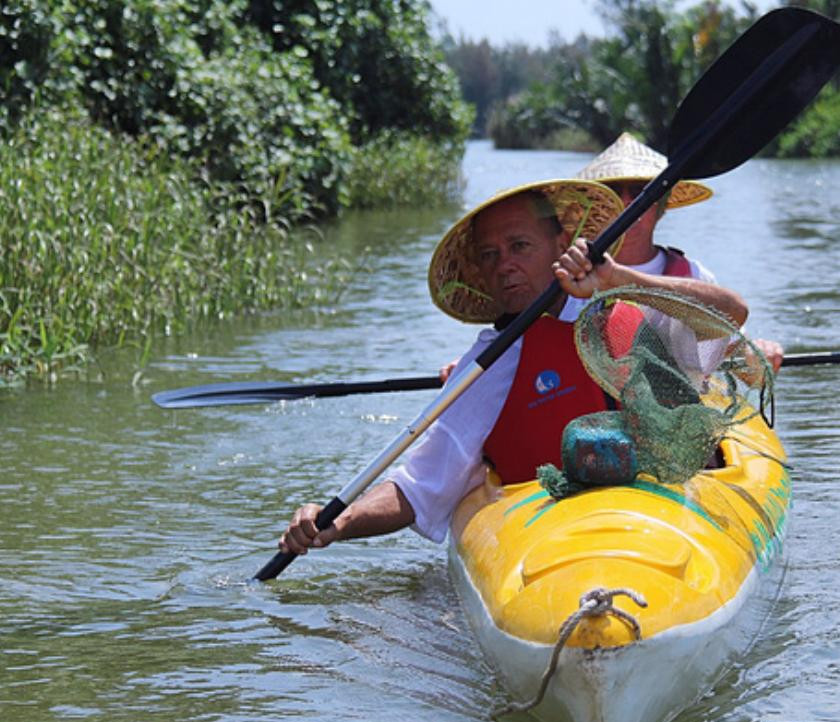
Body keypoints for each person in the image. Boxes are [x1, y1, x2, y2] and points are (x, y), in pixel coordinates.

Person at [279, 179, 750, 557]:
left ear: (561, 245)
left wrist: (618, 278)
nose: (505, 265)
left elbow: (732, 315)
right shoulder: (488, 363)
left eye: (519, 246)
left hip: (667, 526)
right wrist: (336, 522)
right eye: (490, 255)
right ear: (481, 275)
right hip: (556, 538)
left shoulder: (630, 308)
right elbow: (420, 486)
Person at [574, 132, 784, 374]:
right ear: (594, 207)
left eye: (639, 191)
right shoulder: (569, 274)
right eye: (612, 192)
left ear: (660, 205)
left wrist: (759, 355)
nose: (626, 203)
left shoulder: (693, 276)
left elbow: (744, 365)